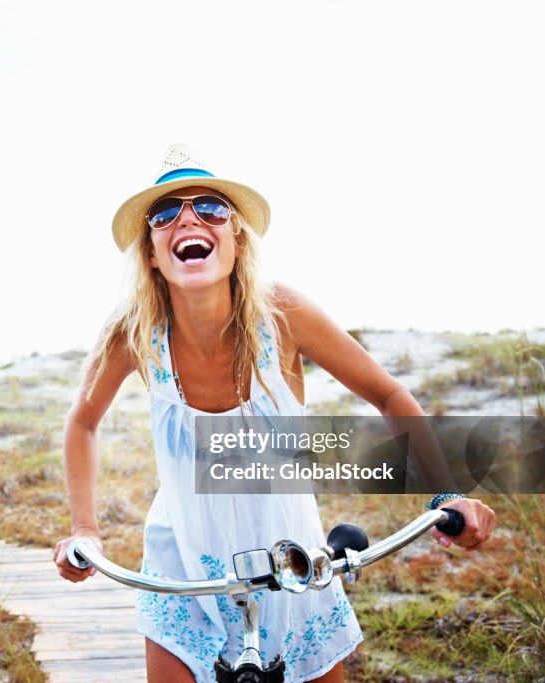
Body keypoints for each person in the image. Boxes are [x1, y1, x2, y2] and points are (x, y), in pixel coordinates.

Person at [52, 144, 496, 683]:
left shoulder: (281, 315)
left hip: (296, 558)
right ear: (150, 252)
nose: (188, 219)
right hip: (184, 565)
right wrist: (85, 530)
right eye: (164, 215)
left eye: (211, 208)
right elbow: (83, 422)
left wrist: (447, 494)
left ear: (237, 240)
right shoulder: (134, 332)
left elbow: (388, 395)